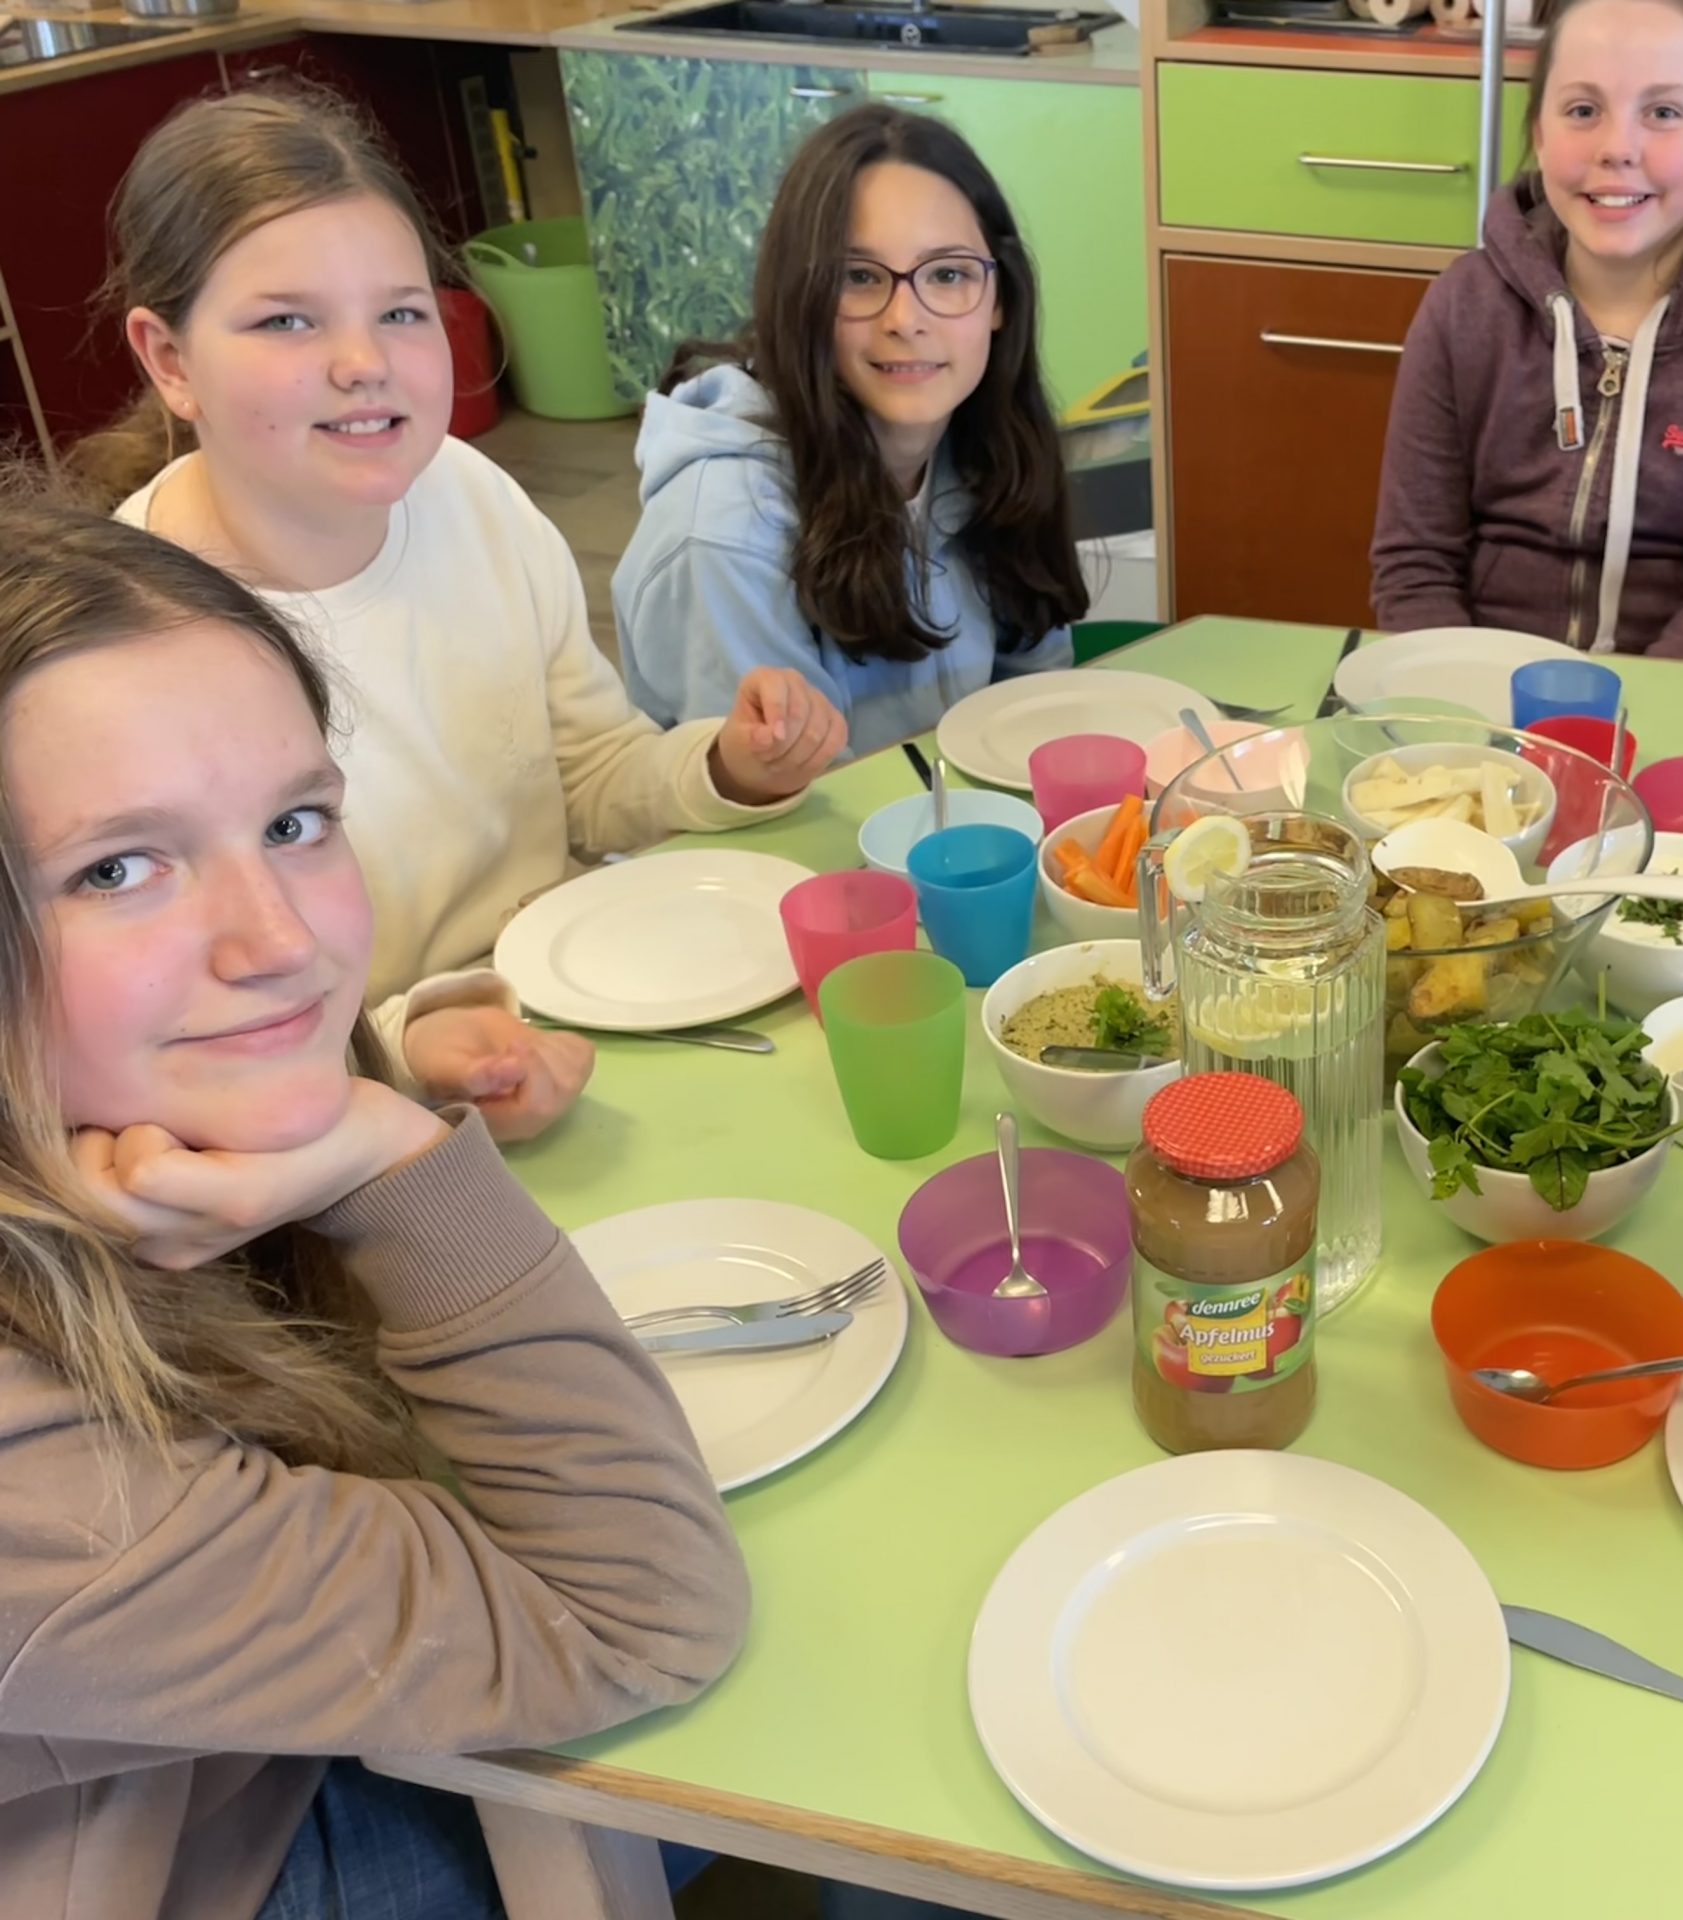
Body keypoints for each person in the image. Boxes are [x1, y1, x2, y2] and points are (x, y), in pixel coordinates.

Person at [0, 491, 749, 1920]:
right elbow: (641, 1617)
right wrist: (394, 1157)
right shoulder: (37, 1487)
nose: (280, 942)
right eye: (116, 867)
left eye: (294, 822)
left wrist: (386, 1065)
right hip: (227, 1847)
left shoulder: (103, 1126)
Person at [71, 86, 845, 1143]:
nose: (364, 363)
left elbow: (589, 773)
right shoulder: (129, 645)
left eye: (400, 312)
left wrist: (725, 766)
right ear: (170, 361)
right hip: (346, 1119)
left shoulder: (473, 496)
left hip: (573, 1019)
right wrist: (411, 1044)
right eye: (287, 320)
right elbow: (173, 1033)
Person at [1369, 0, 1683, 662]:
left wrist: (1607, 719)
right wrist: (1466, 702)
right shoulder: (1462, 308)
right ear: (1540, 133)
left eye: (1664, 112)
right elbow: (1415, 568)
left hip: (1673, 703)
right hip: (1472, 694)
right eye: (1583, 110)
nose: (1617, 148)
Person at [616, 105, 1087, 758]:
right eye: (858, 278)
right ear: (799, 298)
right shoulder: (724, 530)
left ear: (1000, 298)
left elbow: (1035, 705)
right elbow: (787, 798)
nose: (906, 319)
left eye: (948, 274)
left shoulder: (988, 449)